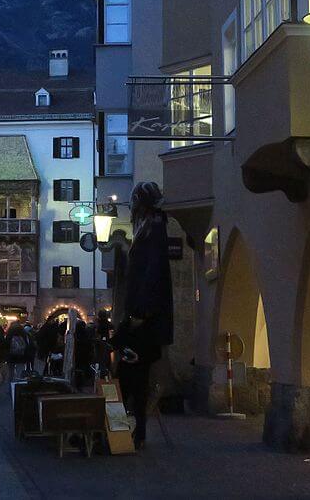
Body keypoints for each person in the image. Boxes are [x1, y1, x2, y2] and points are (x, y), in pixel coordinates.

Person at [117, 181, 174, 450]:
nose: (131, 207)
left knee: (134, 380)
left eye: (134, 202)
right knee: (130, 378)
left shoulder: (154, 228)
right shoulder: (147, 228)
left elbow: (153, 273)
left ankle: (131, 431)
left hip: (144, 322)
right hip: (140, 318)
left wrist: (141, 312)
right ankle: (127, 429)